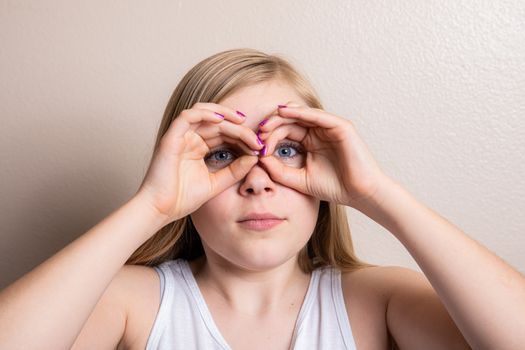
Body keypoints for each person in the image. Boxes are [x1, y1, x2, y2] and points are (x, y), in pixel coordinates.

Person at [0, 48, 524, 350]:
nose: (258, 180)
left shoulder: (374, 301)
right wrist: (152, 205)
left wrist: (378, 194)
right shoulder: (135, 303)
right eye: (224, 155)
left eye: (289, 150)